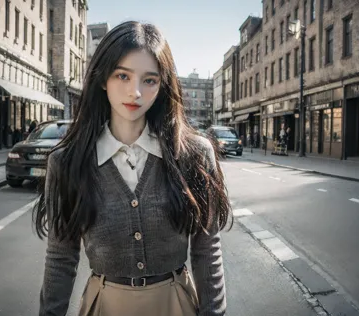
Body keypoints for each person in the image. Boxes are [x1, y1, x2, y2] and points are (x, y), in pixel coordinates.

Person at [33, 21, 232, 316]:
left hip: (176, 304)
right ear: (103, 78)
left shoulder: (195, 154)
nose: (135, 92)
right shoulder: (66, 161)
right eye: (122, 75)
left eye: (149, 80)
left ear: (163, 85)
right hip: (104, 305)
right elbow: (61, 259)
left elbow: (207, 251)